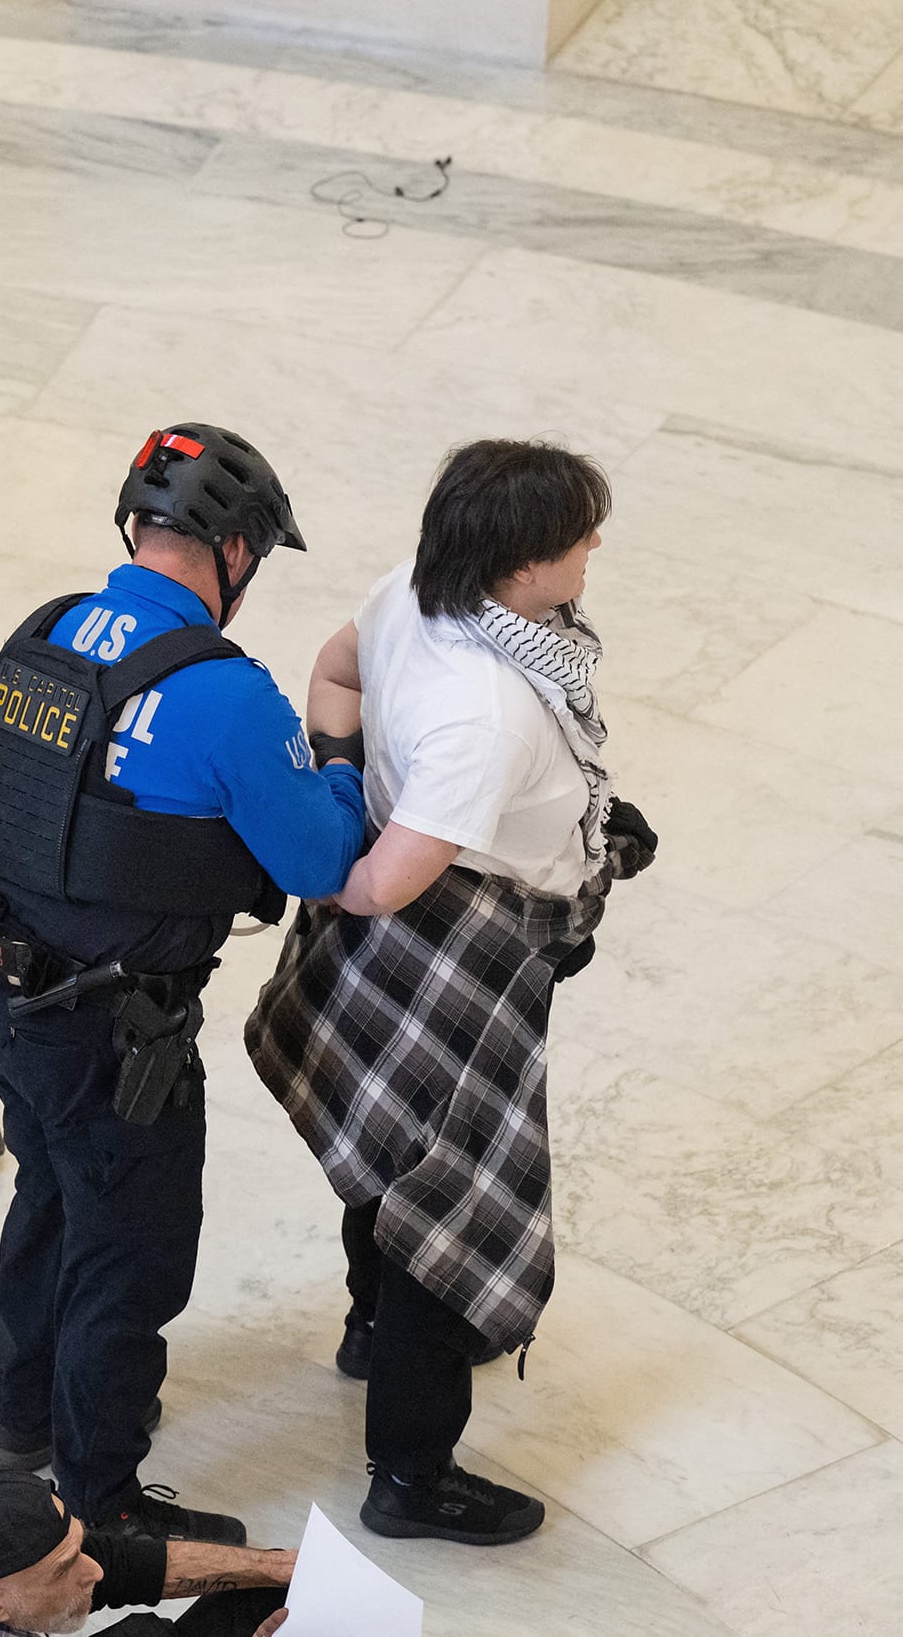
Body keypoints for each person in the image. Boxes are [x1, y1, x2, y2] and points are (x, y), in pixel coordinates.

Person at [0, 426, 369, 1545]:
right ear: (234, 550)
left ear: (136, 525)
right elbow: (321, 861)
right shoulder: (225, 694)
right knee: (128, 1251)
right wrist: (335, 762)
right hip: (106, 1030)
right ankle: (100, 1499)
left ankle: (19, 1419)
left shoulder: (41, 635)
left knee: (47, 1193)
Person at [247, 439, 658, 1547]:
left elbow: (334, 674)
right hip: (449, 944)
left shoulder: (416, 590)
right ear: (521, 564)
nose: (594, 548)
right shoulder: (487, 711)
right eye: (579, 537)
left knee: (389, 1148)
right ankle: (410, 1477)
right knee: (447, 1202)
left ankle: (367, 1322)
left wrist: (351, 785)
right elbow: (378, 882)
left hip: (406, 928)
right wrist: (356, 843)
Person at [0, 1467, 293, 1637]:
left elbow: (121, 1563)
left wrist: (277, 1568)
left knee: (271, 1588)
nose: (95, 1570)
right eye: (65, 1570)